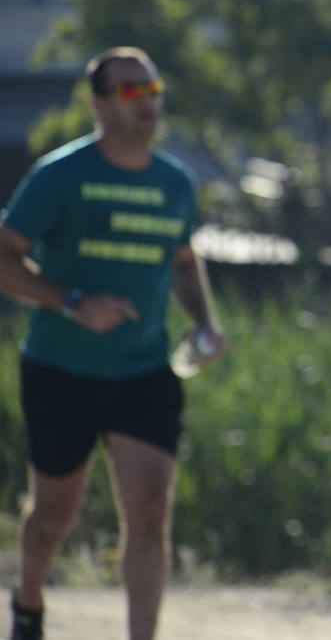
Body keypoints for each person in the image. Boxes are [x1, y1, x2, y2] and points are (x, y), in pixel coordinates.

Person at [0, 47, 226, 640]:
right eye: (129, 91)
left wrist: (204, 322)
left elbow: (182, 261)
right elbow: (5, 257)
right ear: (99, 104)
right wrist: (74, 302)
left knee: (151, 511)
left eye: (151, 88)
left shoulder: (175, 182)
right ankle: (27, 603)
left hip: (145, 370)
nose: (146, 100)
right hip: (61, 368)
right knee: (52, 517)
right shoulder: (59, 175)